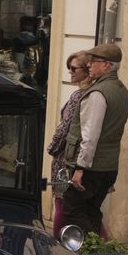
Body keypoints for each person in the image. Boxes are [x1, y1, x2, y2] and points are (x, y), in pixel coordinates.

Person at [62, 43, 128, 238]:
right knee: (91, 210)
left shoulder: (98, 94)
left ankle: (94, 251)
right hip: (109, 165)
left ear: (107, 65)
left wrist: (80, 168)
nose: (89, 65)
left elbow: (90, 135)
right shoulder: (121, 90)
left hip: (92, 166)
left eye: (94, 61)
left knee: (72, 209)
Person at [47, 52, 94, 238]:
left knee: (61, 204)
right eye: (69, 68)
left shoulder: (78, 96)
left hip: (66, 157)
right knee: (85, 210)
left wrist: (52, 149)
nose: (70, 72)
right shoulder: (94, 93)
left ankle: (57, 245)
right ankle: (101, 245)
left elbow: (64, 129)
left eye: (74, 68)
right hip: (82, 157)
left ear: (86, 71)